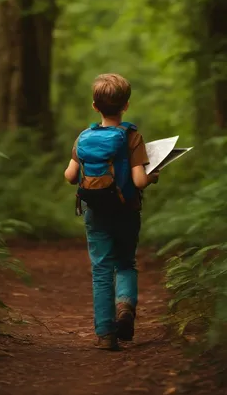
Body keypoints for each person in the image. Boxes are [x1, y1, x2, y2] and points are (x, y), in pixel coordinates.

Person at [64, 73, 159, 351]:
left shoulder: (84, 137)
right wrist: (154, 175)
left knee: (101, 270)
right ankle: (125, 307)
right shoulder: (132, 137)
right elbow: (140, 181)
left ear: (95, 106)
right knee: (126, 262)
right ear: (126, 106)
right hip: (126, 211)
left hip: (95, 212)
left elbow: (70, 176)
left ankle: (106, 334)